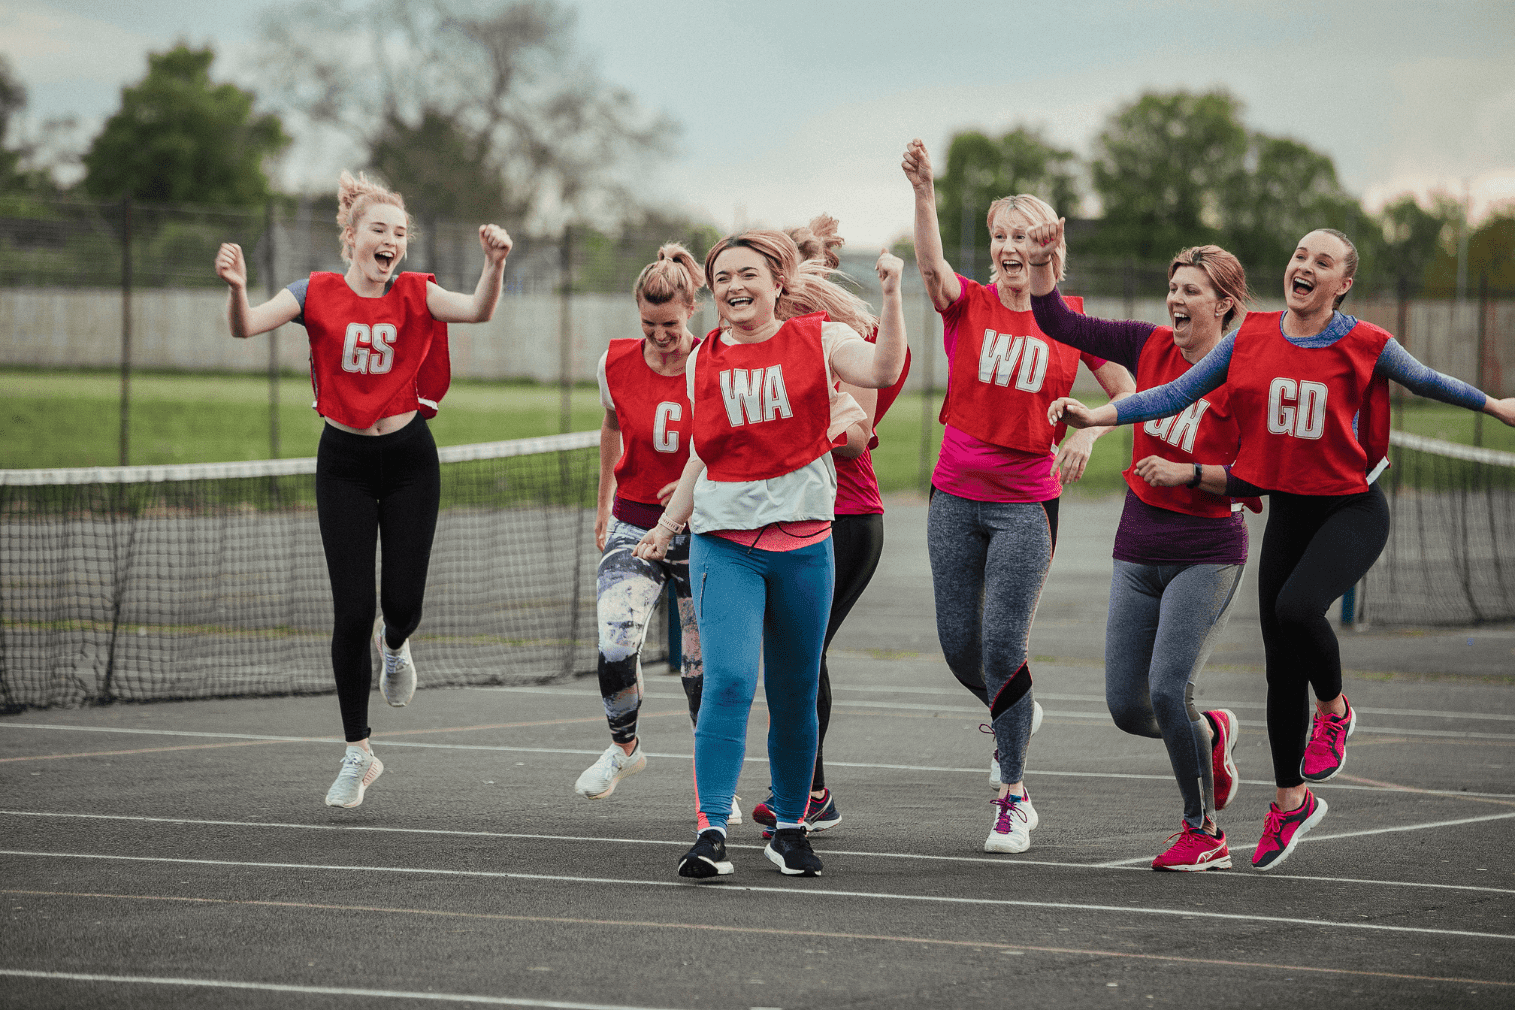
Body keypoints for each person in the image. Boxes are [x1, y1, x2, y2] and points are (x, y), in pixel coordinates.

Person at [1050, 228, 1516, 871]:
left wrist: (1496, 406)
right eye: (1299, 254)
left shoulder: (1366, 343)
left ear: (1342, 282)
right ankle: (1290, 800)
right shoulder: (1254, 337)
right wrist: (1099, 419)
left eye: (1322, 262)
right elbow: (1174, 395)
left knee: (1298, 612)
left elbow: (1428, 381)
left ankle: (1336, 709)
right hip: (1291, 512)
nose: (1305, 266)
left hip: (1352, 508)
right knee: (1278, 665)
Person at [214, 171, 512, 808]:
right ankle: (358, 752)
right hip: (343, 461)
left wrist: (495, 263)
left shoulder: (416, 292)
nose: (392, 241)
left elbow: (481, 310)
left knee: (401, 605)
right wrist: (238, 291)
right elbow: (244, 328)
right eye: (380, 230)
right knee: (350, 612)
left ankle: (397, 645)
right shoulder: (314, 293)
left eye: (401, 233)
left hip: (408, 460)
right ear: (351, 239)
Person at [635, 230, 907, 880]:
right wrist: (671, 524)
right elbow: (705, 450)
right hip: (725, 547)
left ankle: (790, 828)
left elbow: (882, 370)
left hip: (805, 547)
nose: (734, 286)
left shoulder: (816, 340)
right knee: (728, 682)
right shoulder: (706, 358)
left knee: (792, 691)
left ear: (777, 281)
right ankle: (710, 833)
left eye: (747, 274)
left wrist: (893, 295)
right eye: (722, 275)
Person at [902, 139, 1135, 855]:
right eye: (1000, 235)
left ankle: (1012, 796)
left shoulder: (1070, 320)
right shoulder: (965, 304)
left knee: (1004, 644)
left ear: (1046, 249)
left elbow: (1127, 388)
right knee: (958, 647)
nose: (1007, 247)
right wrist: (925, 193)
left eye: (1023, 237)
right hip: (954, 497)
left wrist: (1089, 433)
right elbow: (931, 265)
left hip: (1026, 505)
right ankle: (1017, 709)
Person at [1026, 222, 1252, 870]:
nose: (1176, 299)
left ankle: (1202, 831)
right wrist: (1044, 264)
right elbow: (1058, 321)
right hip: (1138, 546)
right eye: (1173, 288)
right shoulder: (1147, 345)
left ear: (1224, 305)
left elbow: (1264, 474)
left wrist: (1191, 475)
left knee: (1166, 689)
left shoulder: (1242, 375)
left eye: (1193, 290)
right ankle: (1208, 734)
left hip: (1207, 549)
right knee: (1129, 707)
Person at [748, 216, 913, 840]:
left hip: (845, 520)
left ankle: (811, 791)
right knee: (797, 654)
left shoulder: (849, 352)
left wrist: (790, 423)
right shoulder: (774, 348)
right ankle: (807, 786)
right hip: (792, 516)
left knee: (803, 651)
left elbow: (855, 439)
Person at [574, 244, 709, 804]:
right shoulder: (613, 364)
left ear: (692, 311)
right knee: (614, 645)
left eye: (670, 324)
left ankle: (711, 783)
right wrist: (604, 499)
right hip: (633, 521)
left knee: (702, 670)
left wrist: (691, 495)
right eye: (649, 324)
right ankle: (624, 749)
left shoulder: (716, 362)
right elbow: (610, 427)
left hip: (703, 529)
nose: (660, 335)